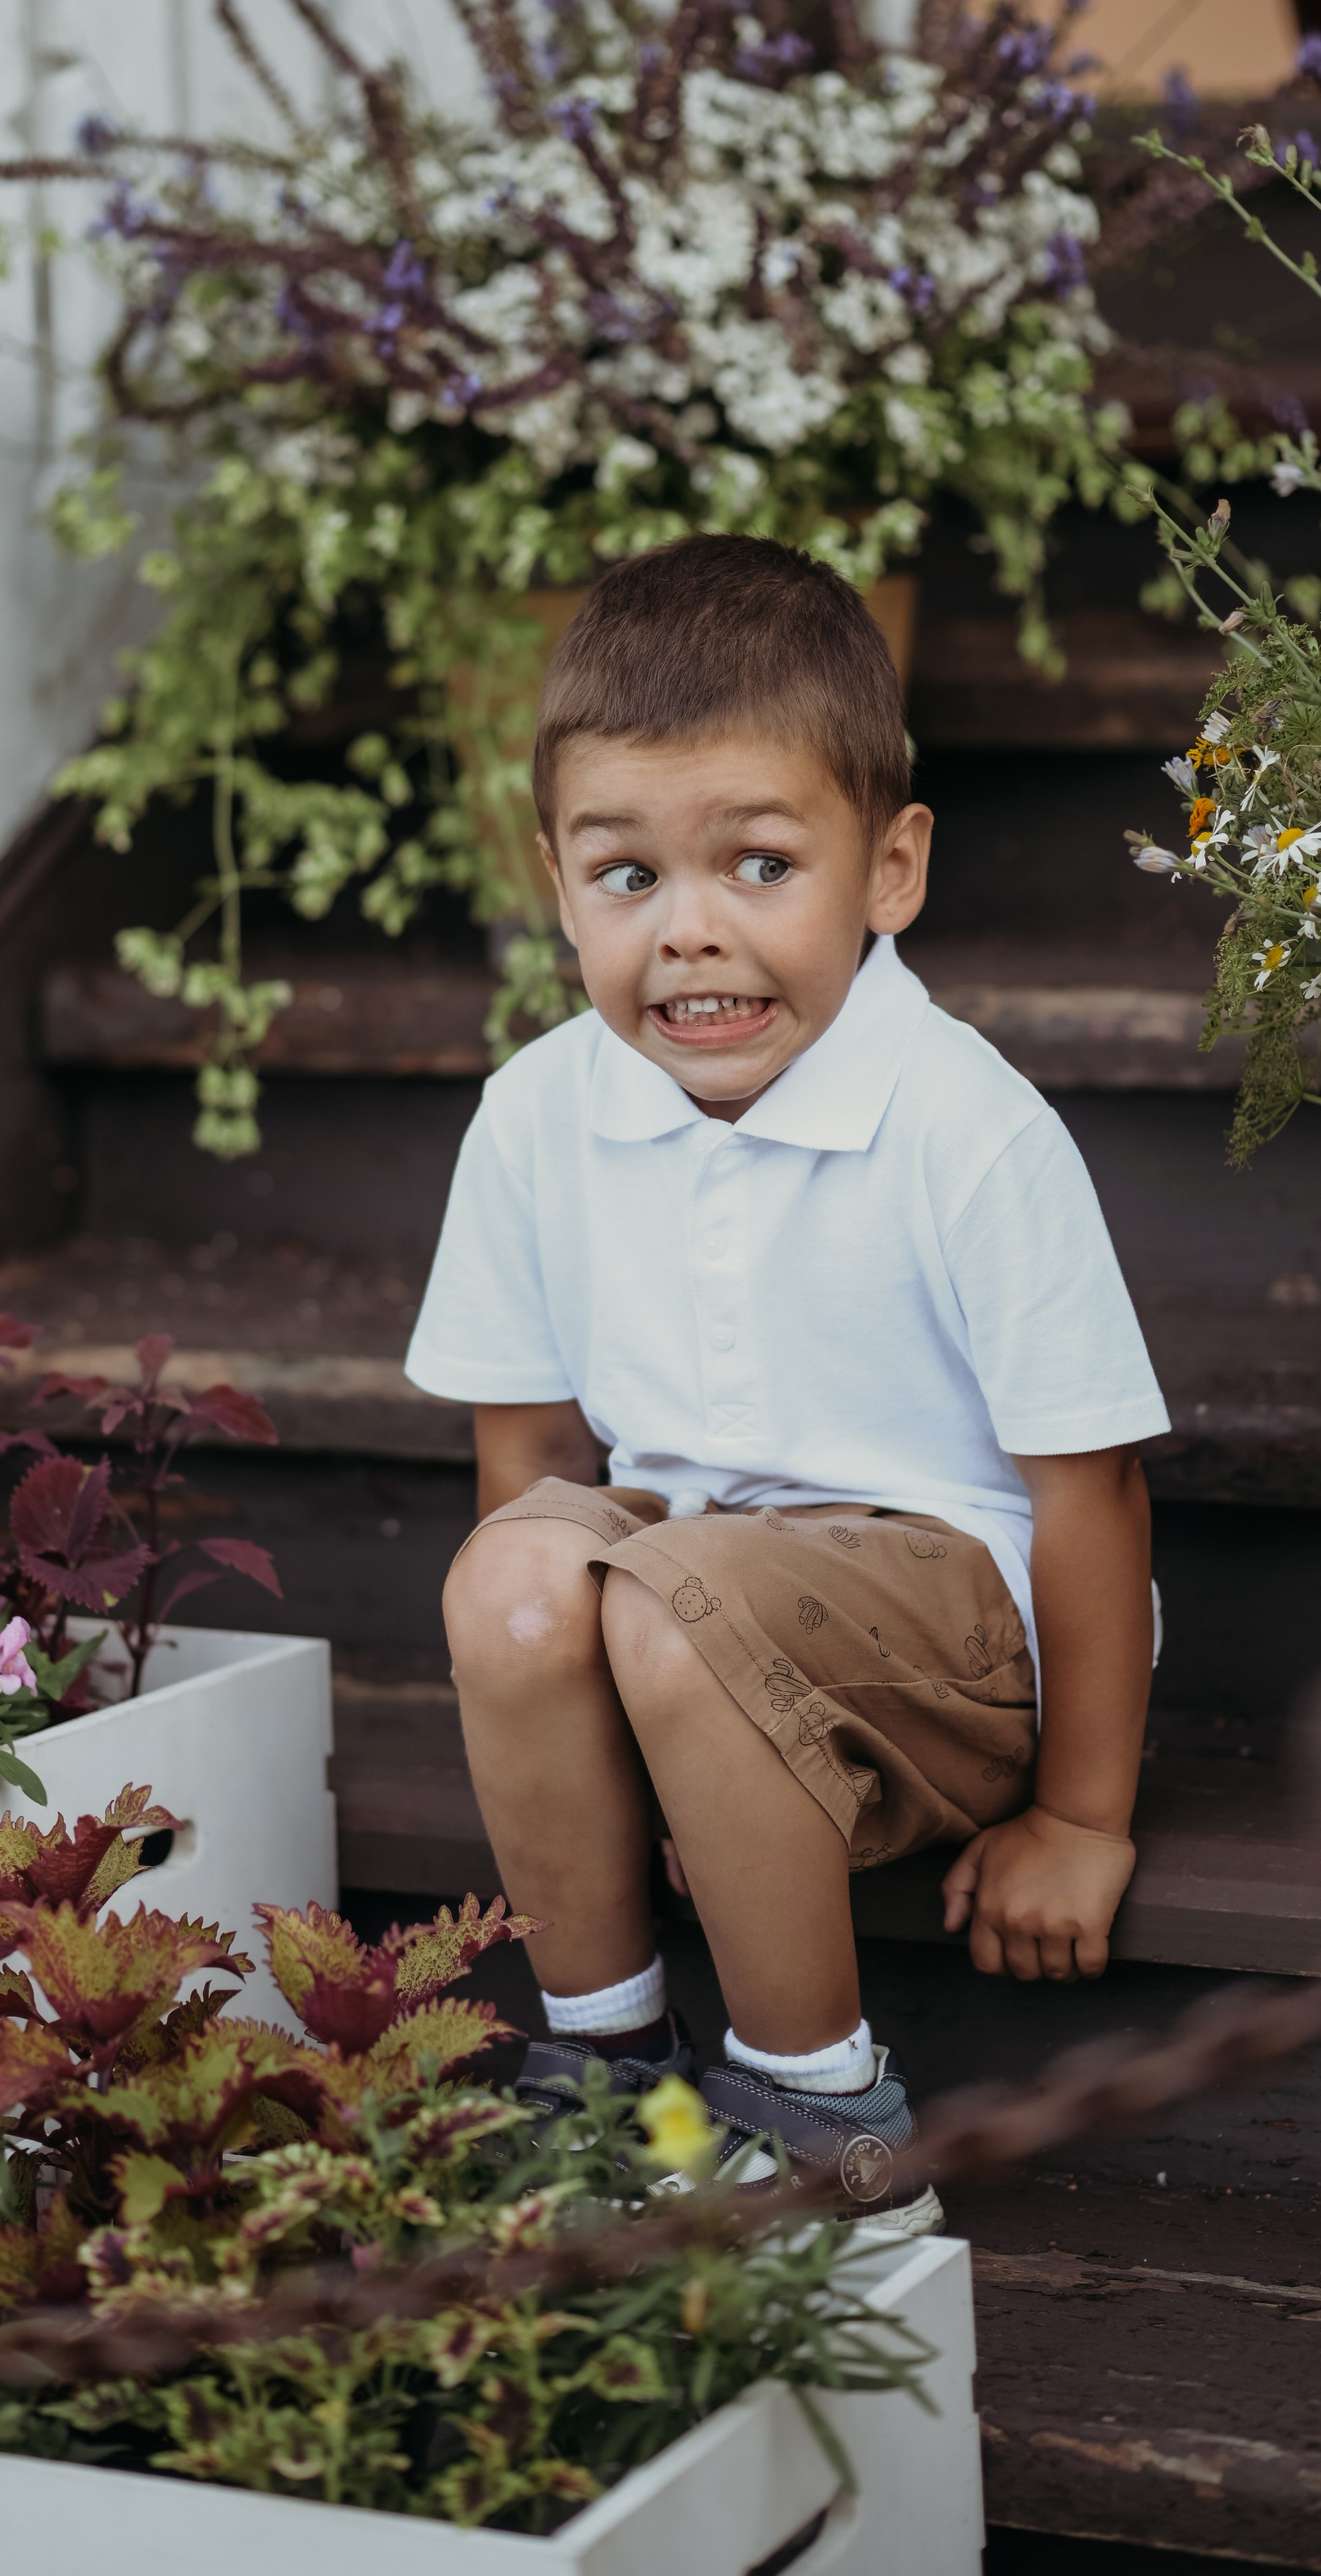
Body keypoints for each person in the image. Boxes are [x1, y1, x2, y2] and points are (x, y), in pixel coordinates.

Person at [404, 534, 1167, 2228]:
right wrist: (623, 1741)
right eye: (625, 879)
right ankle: (606, 2059)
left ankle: (827, 2114)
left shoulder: (963, 1125)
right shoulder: (539, 1113)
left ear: (887, 869)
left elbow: (1087, 1489)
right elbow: (525, 1456)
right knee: (517, 1573)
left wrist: (1081, 1815)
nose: (688, 935)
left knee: (679, 1603)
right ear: (555, 881)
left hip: (949, 1645)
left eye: (758, 863)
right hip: (691, 1614)